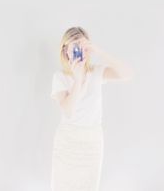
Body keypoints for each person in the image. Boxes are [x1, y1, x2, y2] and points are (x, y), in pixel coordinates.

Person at [50, 26, 134, 191]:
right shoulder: (59, 77)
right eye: (72, 47)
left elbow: (127, 74)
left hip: (92, 141)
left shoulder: (96, 72)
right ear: (65, 50)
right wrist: (78, 78)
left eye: (80, 47)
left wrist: (98, 51)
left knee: (89, 186)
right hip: (68, 140)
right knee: (61, 185)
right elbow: (68, 110)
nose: (77, 52)